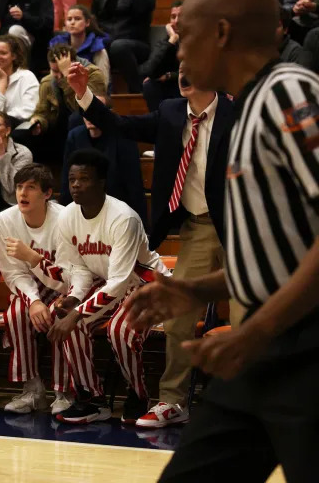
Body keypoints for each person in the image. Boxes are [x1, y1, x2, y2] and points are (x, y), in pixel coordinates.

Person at [124, 0, 319, 481]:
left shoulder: (290, 92)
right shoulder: (247, 108)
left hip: (303, 349)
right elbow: (277, 257)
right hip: (262, 353)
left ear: (223, 33)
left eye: (185, 36)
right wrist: (193, 288)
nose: (179, 54)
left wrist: (256, 330)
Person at [69, 57, 238, 429]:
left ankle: (247, 403)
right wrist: (84, 94)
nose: (183, 73)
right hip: (195, 225)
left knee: (245, 316)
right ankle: (174, 401)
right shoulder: (171, 111)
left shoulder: (236, 110)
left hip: (238, 227)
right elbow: (120, 125)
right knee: (178, 315)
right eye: (179, 70)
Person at [49, 149, 169, 425]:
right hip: (109, 282)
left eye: (84, 179)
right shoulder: (67, 216)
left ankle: (139, 395)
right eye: (72, 179)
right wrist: (75, 297)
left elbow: (120, 281)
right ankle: (91, 399)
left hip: (145, 282)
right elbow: (78, 267)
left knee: (120, 330)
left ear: (101, 182)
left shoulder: (122, 218)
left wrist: (78, 312)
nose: (76, 185)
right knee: (70, 320)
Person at [0, 164, 74, 416]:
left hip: (64, 286)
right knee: (15, 314)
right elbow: (12, 272)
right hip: (29, 285)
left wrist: (32, 257)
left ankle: (64, 390)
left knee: (61, 314)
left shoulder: (64, 219)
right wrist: (33, 301)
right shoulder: (5, 219)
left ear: (47, 194)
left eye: (31, 187)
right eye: (19, 187)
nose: (23, 193)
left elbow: (67, 277)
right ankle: (33, 390)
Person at [91, 0, 156, 94]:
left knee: (118, 46)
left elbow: (141, 10)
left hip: (135, 45)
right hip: (107, 43)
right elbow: (94, 18)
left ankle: (138, 92)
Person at [60, 116, 148, 225]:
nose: (89, 115)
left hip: (116, 209)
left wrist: (142, 225)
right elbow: (66, 180)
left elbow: (134, 184)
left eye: (93, 109)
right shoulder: (75, 136)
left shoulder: (122, 137)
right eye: (85, 110)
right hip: (83, 211)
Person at [29, 46, 107, 165]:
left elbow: (87, 107)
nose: (59, 76)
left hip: (88, 122)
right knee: (26, 134)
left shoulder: (93, 74)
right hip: (60, 127)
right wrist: (38, 122)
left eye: (62, 70)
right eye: (55, 71)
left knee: (75, 118)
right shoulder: (47, 82)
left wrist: (68, 78)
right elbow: (42, 112)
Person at [0, 34, 40, 133]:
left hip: (19, 128)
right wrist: (2, 79)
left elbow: (29, 110)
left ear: (14, 56)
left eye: (3, 53)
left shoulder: (27, 77)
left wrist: (3, 120)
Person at [48, 4, 111, 82]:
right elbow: (52, 78)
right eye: (69, 19)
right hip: (62, 91)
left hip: (90, 91)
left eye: (77, 19)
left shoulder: (98, 48)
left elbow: (102, 83)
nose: (72, 22)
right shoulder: (57, 45)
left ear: (87, 22)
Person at [141, 0, 182, 114]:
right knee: (149, 85)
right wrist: (172, 40)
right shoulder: (166, 42)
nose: (177, 21)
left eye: (181, 16)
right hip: (172, 87)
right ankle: (160, 123)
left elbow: (197, 73)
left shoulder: (197, 41)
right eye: (173, 17)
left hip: (189, 85)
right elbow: (151, 70)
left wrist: (170, 76)